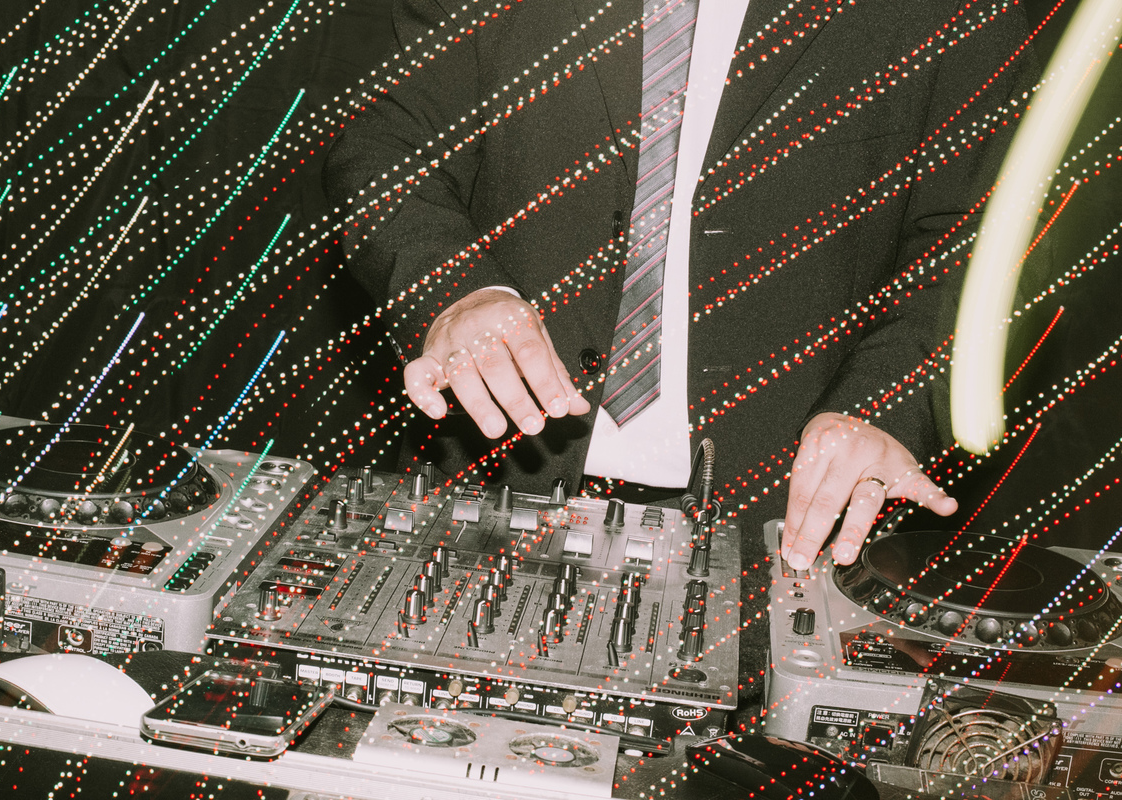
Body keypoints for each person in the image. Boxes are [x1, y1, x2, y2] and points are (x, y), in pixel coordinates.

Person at [324, 0, 1036, 569]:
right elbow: (389, 143)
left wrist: (882, 405)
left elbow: (985, 237)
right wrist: (457, 291)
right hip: (488, 499)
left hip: (782, 537)